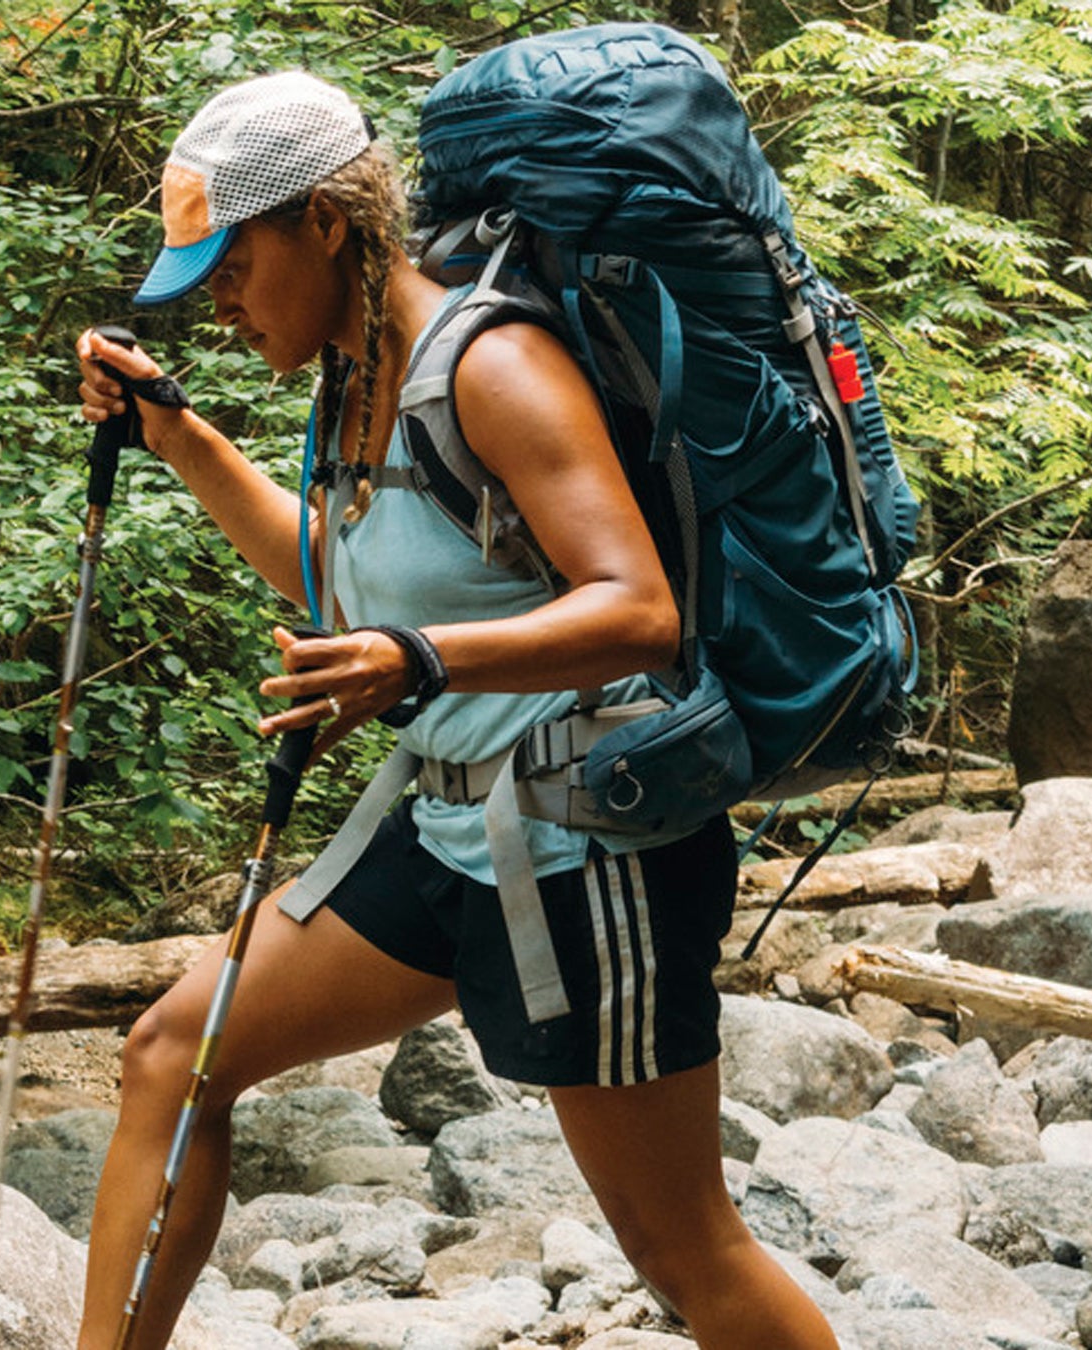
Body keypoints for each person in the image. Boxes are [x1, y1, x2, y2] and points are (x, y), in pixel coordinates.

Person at [71, 70, 840, 1350]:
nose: (219, 296)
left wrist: (414, 663)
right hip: (444, 828)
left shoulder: (495, 366)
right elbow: (339, 570)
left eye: (233, 260)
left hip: (590, 844)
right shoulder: (349, 376)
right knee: (173, 1055)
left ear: (324, 220)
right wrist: (181, 435)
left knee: (681, 1249)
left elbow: (639, 610)